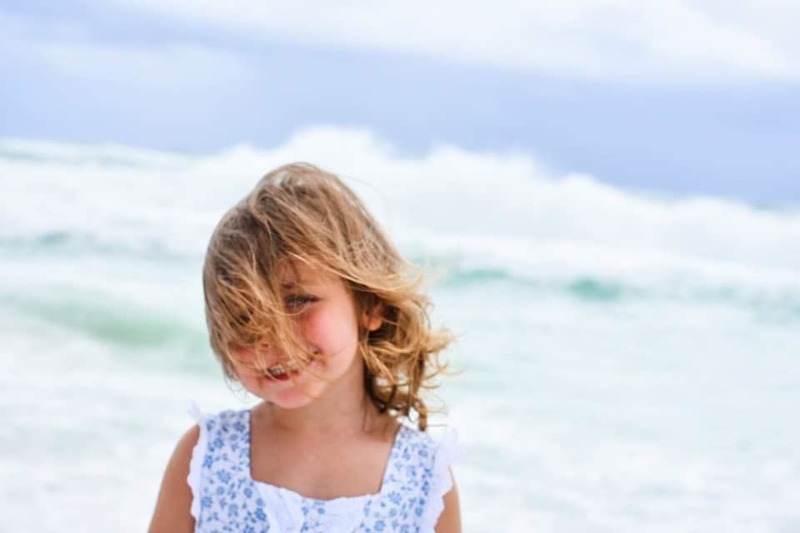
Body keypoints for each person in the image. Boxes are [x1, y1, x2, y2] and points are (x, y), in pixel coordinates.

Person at [149, 163, 461, 532]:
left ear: (370, 305)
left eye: (297, 301)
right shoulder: (207, 457)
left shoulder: (423, 478)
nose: (271, 338)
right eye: (244, 318)